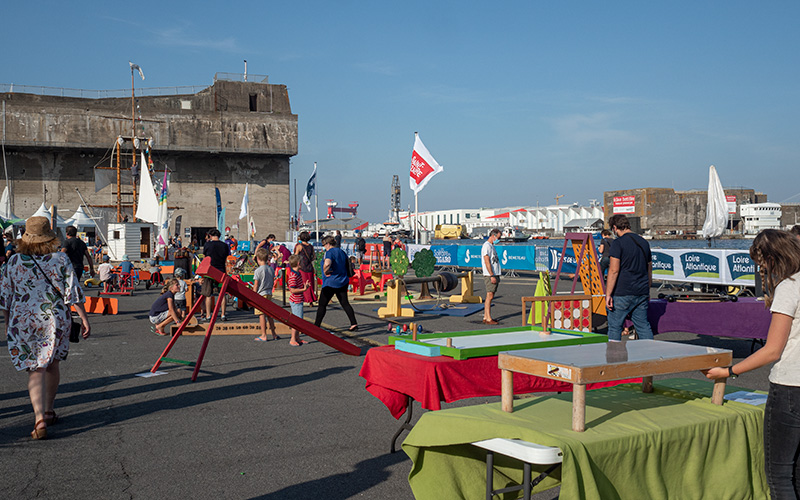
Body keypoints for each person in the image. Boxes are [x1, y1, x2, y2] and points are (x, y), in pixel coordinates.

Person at [704, 229, 800, 498]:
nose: (762, 270)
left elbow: (772, 350)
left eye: (762, 263)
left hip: (791, 387)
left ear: (772, 257)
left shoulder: (789, 286)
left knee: (780, 474)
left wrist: (730, 370)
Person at [0, 216, 90, 440]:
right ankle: (49, 410)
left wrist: (6, 322)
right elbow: (73, 293)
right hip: (55, 318)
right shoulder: (60, 259)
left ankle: (39, 417)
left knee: (35, 368)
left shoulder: (14, 261)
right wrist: (85, 319)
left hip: (24, 319)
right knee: (52, 363)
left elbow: (5, 296)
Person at [605, 214, 654, 342]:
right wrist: (647, 289)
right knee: (643, 326)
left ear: (615, 228)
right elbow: (649, 269)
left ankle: (614, 357)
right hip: (641, 290)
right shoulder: (643, 242)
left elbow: (614, 270)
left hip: (623, 291)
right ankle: (652, 355)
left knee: (615, 327)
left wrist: (608, 294)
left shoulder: (617, 243)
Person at [314, 235, 358, 332]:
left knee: (322, 305)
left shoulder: (329, 252)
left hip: (331, 282)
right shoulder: (342, 252)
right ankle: (353, 323)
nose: (323, 247)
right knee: (345, 303)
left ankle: (316, 325)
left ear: (328, 244)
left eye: (324, 245)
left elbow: (328, 263)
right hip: (343, 281)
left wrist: (325, 271)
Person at [202, 229, 230, 321]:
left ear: (210, 235)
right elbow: (226, 257)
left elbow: (205, 256)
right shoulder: (224, 245)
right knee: (222, 294)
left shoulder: (207, 245)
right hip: (221, 270)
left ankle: (208, 315)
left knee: (208, 294)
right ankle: (223, 314)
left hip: (210, 271)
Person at [252, 247, 279, 342]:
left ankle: (264, 334)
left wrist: (252, 294)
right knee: (269, 314)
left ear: (258, 259)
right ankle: (274, 334)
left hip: (260, 294)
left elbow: (256, 285)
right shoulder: (271, 269)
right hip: (269, 292)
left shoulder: (258, 271)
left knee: (261, 315)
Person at [286, 254, 310, 346]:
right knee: (296, 321)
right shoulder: (293, 276)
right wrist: (304, 289)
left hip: (298, 300)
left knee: (299, 320)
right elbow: (292, 289)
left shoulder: (297, 273)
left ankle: (297, 338)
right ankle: (292, 339)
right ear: (299, 263)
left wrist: (304, 286)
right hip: (296, 301)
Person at [481, 228, 502, 325]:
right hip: (490, 274)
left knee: (490, 295)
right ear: (493, 236)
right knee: (490, 295)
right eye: (498, 237)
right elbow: (486, 261)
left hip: (494, 273)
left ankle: (486, 316)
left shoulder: (491, 246)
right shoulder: (487, 246)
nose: (499, 239)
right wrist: (491, 275)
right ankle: (488, 318)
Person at [294, 231, 318, 305]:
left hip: (302, 266)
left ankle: (305, 299)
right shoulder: (311, 246)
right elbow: (314, 257)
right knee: (310, 283)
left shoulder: (299, 246)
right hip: (309, 266)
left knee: (303, 283)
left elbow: (295, 256)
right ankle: (311, 299)